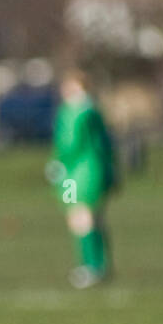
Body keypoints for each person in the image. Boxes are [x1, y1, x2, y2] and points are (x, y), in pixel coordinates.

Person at [50, 69, 117, 288]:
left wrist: (58, 164)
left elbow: (69, 144)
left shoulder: (76, 112)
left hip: (77, 172)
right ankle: (98, 265)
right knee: (87, 217)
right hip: (88, 170)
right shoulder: (92, 110)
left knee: (81, 216)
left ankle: (92, 266)